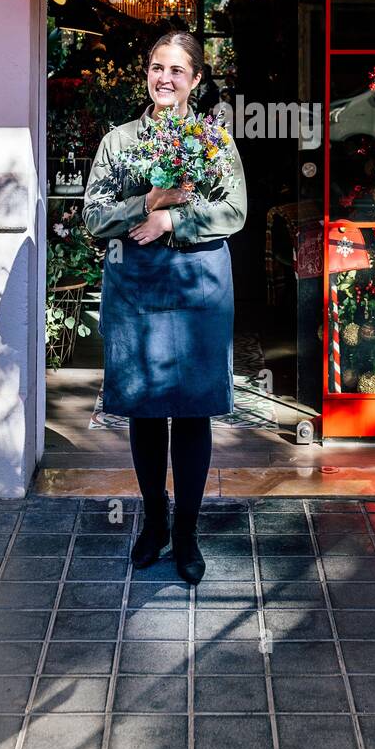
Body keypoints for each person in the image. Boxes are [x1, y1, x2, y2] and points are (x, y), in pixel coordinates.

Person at [82, 32, 247, 584]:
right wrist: (144, 204)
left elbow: (234, 213)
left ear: (196, 80)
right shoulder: (120, 142)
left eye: (177, 70)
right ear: (146, 74)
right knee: (147, 408)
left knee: (193, 408)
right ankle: (153, 523)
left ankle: (187, 532)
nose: (165, 79)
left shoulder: (216, 143)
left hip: (199, 285)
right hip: (137, 288)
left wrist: (173, 221)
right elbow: (93, 218)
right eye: (157, 68)